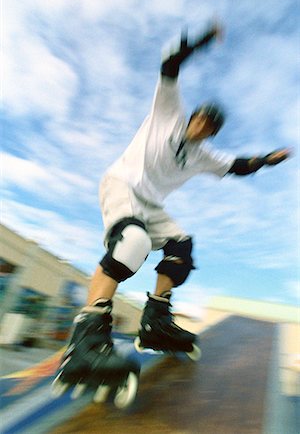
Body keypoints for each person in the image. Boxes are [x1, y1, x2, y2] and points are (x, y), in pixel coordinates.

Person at [53, 23, 290, 402]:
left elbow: (237, 166)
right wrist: (200, 40)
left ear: (211, 133)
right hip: (123, 185)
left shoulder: (203, 156)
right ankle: (85, 339)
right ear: (192, 115)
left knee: (181, 246)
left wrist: (269, 159)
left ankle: (156, 320)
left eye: (209, 126)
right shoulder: (168, 114)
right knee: (132, 243)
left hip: (151, 205)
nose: (201, 126)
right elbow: (170, 64)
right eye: (200, 119)